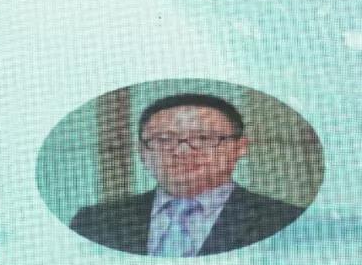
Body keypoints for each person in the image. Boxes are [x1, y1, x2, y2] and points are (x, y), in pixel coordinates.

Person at [70, 94, 304, 256]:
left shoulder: (286, 221)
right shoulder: (94, 222)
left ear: (240, 147)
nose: (182, 151)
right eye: (164, 140)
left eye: (203, 138)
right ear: (143, 152)